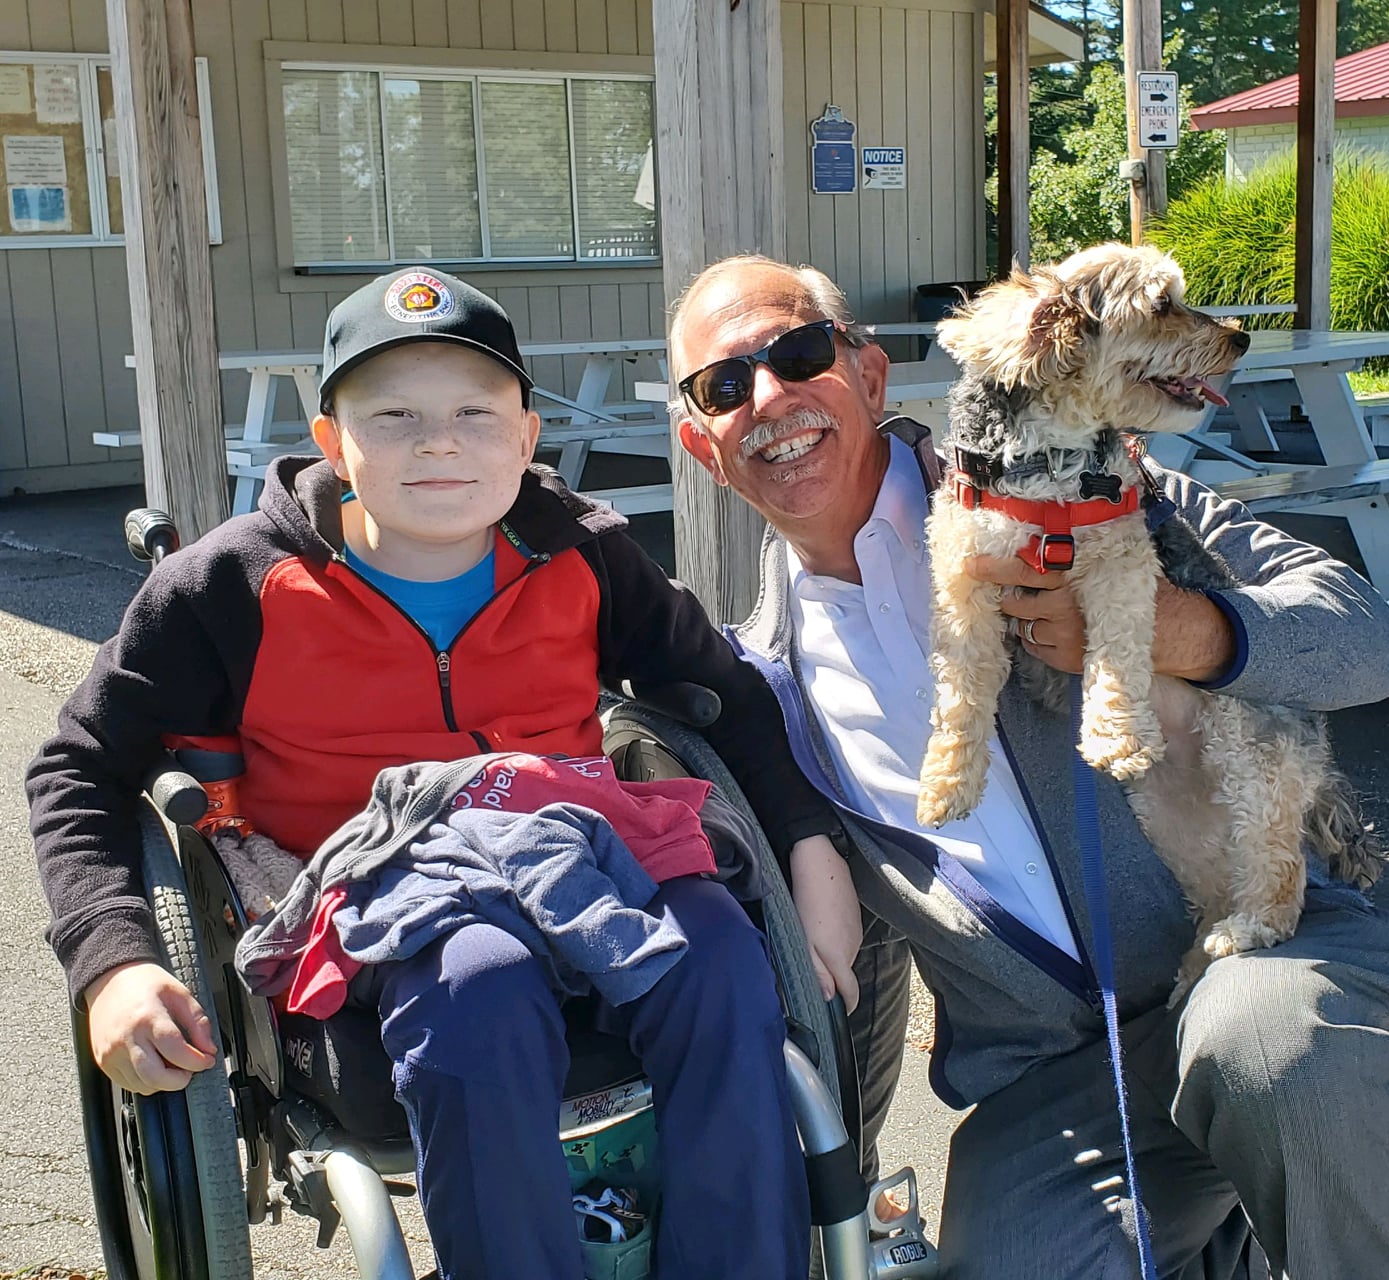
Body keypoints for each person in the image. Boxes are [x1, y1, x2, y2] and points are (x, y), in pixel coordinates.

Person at [26, 267, 864, 1280]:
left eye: (476, 411)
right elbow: (79, 766)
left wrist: (808, 850)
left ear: (526, 438)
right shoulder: (229, 585)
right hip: (379, 909)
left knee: (726, 962)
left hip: (578, 860)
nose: (438, 440)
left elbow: (724, 697)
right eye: (395, 416)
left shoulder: (582, 550)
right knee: (482, 983)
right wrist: (114, 961)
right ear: (335, 441)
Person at [668, 254, 1389, 1280]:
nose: (769, 397)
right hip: (1063, 1088)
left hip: (1254, 961)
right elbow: (848, 955)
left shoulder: (1081, 483)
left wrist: (1184, 630)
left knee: (1269, 1051)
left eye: (799, 353)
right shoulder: (761, 684)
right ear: (701, 444)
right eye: (725, 386)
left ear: (867, 375)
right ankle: (1223, 1240)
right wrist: (837, 1198)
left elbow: (1369, 640)